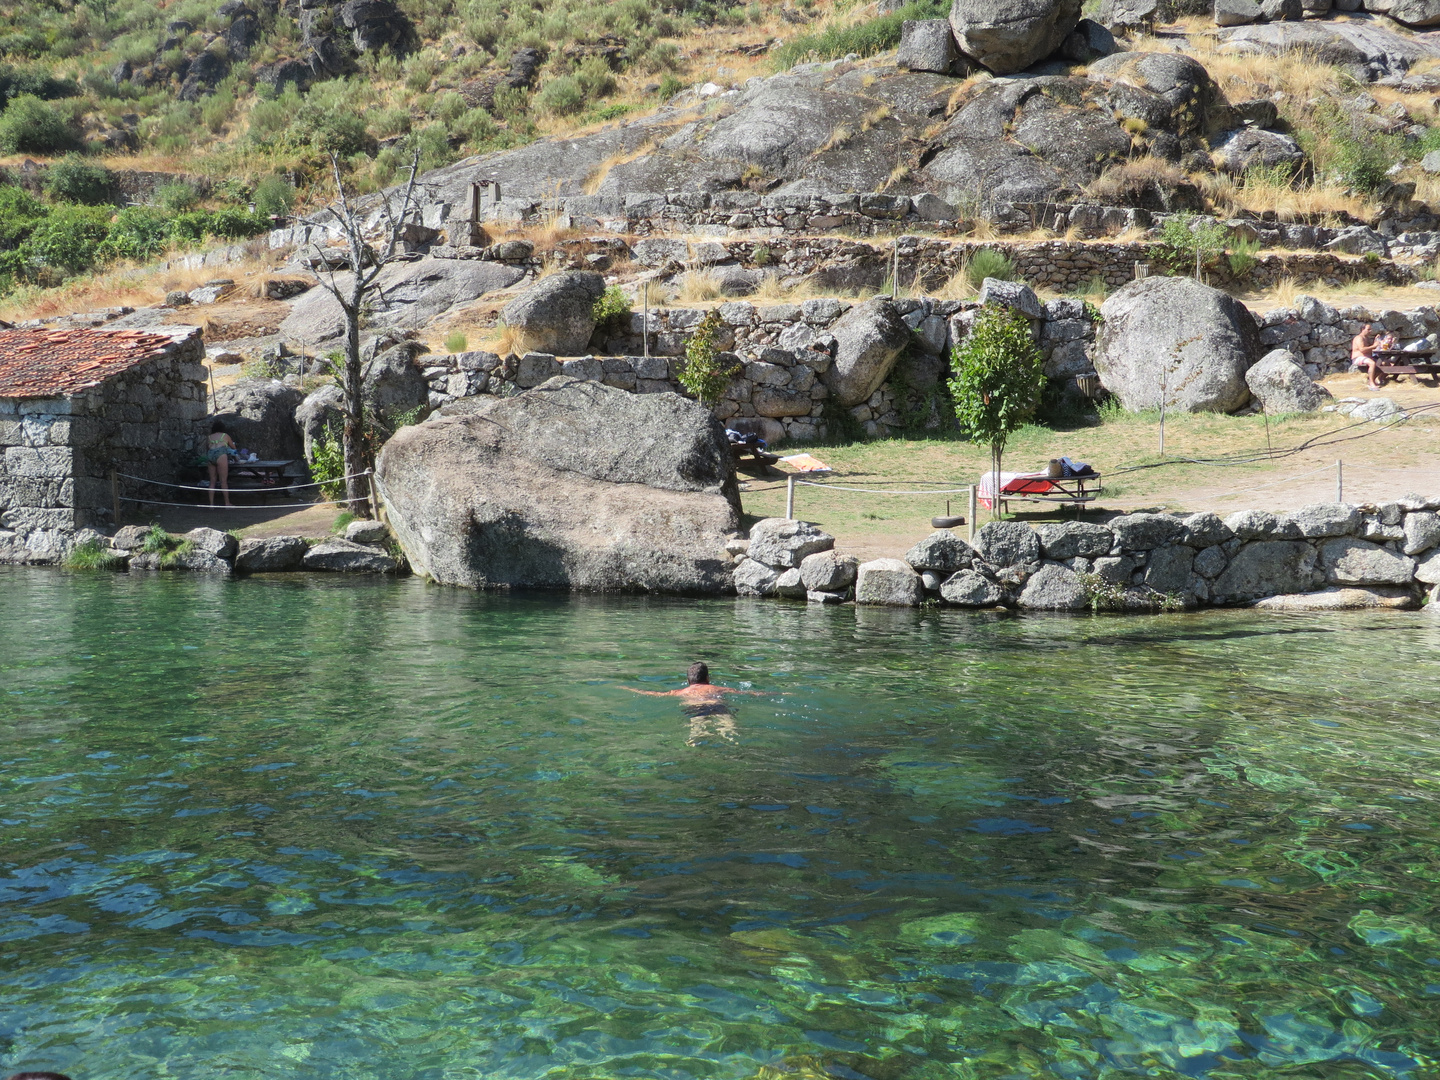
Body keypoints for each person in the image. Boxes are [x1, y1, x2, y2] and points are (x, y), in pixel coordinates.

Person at [624, 662, 766, 746]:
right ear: (708, 678)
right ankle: (732, 739)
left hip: (696, 709)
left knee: (697, 730)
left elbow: (655, 694)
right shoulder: (717, 688)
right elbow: (750, 694)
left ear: (688, 681)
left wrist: (630, 688)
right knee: (729, 728)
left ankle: (695, 741)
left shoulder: (681, 691)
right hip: (718, 706)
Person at [206, 420, 237, 507]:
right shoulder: (225, 436)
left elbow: (207, 448)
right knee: (223, 481)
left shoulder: (209, 437)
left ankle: (211, 504)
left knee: (212, 481)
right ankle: (227, 503)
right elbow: (233, 448)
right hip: (221, 455)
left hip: (210, 454)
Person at [1351, 323, 1383, 390]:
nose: (1370, 331)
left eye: (1370, 329)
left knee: (1385, 363)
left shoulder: (1367, 338)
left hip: (1368, 357)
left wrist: (1376, 341)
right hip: (1358, 358)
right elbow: (1362, 349)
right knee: (1372, 363)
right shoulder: (1359, 338)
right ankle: (1371, 383)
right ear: (1363, 329)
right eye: (1368, 329)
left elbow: (1370, 348)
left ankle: (1375, 379)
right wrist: (1374, 346)